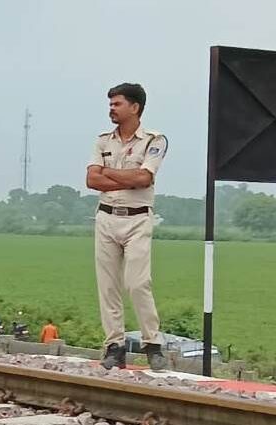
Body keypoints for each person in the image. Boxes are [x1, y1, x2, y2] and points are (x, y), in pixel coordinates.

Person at [86, 83, 168, 372]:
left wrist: (108, 172)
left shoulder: (153, 141)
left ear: (135, 107)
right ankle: (114, 346)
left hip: (137, 218)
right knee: (107, 286)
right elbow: (91, 180)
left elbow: (145, 178)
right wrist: (126, 177)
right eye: (110, 104)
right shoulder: (102, 141)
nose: (111, 108)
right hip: (106, 217)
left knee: (137, 282)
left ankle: (152, 344)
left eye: (117, 104)